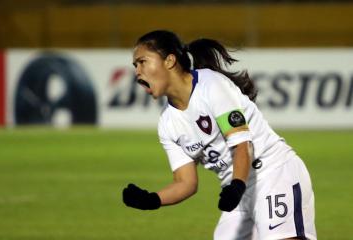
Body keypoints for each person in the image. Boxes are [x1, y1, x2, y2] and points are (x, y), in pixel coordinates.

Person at [122, 30, 317, 240]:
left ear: (169, 60)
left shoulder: (211, 86)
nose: (137, 72)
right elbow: (185, 182)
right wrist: (152, 200)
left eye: (142, 62)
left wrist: (237, 186)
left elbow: (243, 145)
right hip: (237, 191)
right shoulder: (167, 123)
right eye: (135, 66)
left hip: (273, 173)